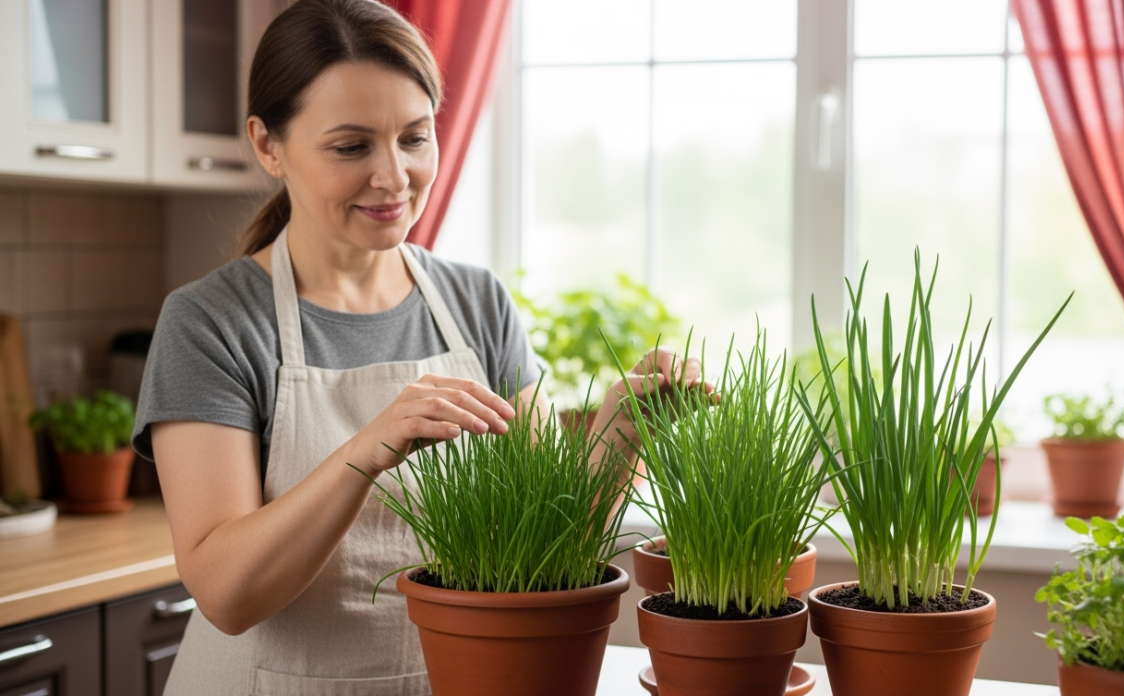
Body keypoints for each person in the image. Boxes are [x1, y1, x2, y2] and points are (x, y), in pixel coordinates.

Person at [132, 1, 700, 692]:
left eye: (415, 137)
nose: (394, 176)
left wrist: (622, 429)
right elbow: (225, 593)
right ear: (267, 144)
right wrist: (368, 451)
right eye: (351, 146)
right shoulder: (211, 322)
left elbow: (553, 539)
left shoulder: (475, 303)